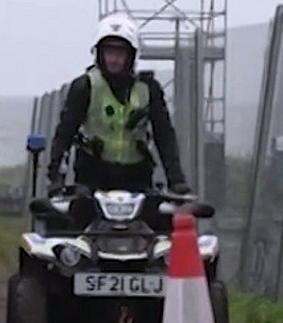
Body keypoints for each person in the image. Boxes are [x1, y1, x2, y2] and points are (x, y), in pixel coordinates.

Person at [46, 13, 188, 196]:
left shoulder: (148, 89)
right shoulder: (85, 86)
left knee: (158, 212)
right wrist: (56, 178)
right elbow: (65, 133)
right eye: (109, 52)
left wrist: (176, 180)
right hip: (92, 180)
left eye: (120, 53)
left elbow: (164, 135)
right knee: (77, 211)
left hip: (137, 180)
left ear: (132, 55)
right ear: (99, 53)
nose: (114, 59)